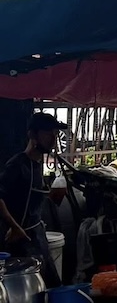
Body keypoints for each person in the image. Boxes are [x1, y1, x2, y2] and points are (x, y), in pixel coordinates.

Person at [0, 111, 66, 287]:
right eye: (47, 134)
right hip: (18, 242)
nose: (52, 140)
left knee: (52, 287)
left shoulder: (38, 166)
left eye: (55, 134)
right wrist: (15, 227)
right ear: (32, 135)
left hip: (37, 238)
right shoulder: (17, 165)